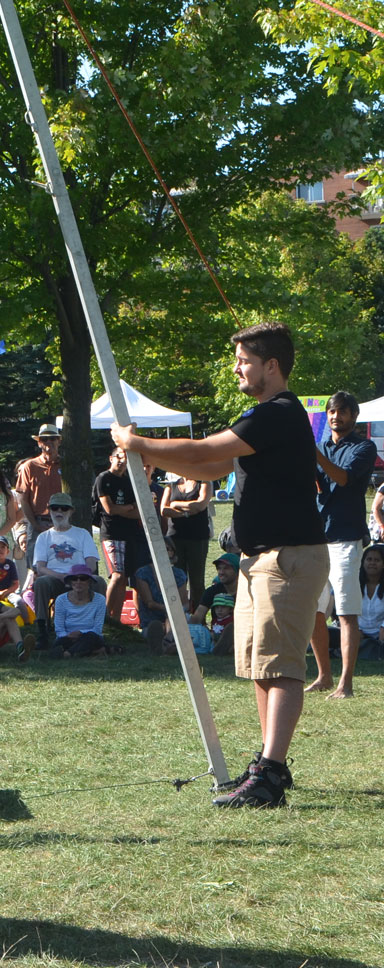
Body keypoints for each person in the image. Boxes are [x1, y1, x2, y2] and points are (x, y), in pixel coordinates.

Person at [113, 321, 327, 808]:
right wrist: (155, 460)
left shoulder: (279, 412)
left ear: (271, 366)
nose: (236, 369)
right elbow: (210, 466)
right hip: (260, 559)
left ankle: (270, 775)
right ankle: (267, 766)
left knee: (281, 667)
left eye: (244, 362)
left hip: (286, 557)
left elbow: (207, 449)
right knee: (261, 667)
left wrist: (139, 444)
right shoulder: (266, 418)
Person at [309, 391, 375, 698]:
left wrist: (314, 455)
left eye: (342, 411)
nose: (336, 417)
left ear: (354, 416)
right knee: (314, 611)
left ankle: (345, 684)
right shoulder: (322, 446)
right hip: (316, 538)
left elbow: (343, 478)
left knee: (347, 613)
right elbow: (313, 483)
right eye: (332, 412)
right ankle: (323, 676)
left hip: (346, 538)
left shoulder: (364, 447)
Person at [29, 492, 104, 650]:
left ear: (71, 511)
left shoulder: (82, 534)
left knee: (100, 582)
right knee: (41, 582)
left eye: (64, 508)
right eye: (55, 508)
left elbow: (91, 564)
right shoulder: (43, 537)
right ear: (49, 510)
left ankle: (98, 628)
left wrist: (78, 576)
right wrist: (61, 576)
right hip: (55, 578)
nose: (59, 511)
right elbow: (40, 568)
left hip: (81, 575)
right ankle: (42, 631)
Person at [92, 448, 141, 621]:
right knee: (117, 575)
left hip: (129, 534)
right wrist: (129, 508)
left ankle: (116, 620)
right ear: (111, 458)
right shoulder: (103, 478)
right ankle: (103, 617)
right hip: (111, 533)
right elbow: (109, 509)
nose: (121, 460)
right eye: (118, 456)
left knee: (124, 579)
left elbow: (138, 513)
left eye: (125, 457)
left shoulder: (129, 481)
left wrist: (124, 510)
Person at [160, 474, 213, 612]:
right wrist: (186, 513)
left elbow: (200, 505)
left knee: (197, 581)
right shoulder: (171, 486)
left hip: (197, 538)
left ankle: (198, 617)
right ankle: (178, 615)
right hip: (175, 538)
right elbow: (164, 510)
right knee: (177, 579)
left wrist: (175, 504)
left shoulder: (204, 482)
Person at [133, 537, 188, 654]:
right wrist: (169, 609)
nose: (163, 552)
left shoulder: (179, 574)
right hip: (152, 620)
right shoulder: (143, 573)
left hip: (175, 618)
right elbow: (149, 603)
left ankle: (168, 642)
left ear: (172, 553)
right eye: (159, 548)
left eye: (167, 549)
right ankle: (168, 643)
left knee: (176, 622)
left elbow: (184, 603)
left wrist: (174, 612)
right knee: (155, 628)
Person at [14, 424, 63, 540]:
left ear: (59, 441)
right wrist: (35, 525)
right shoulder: (29, 466)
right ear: (39, 443)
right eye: (44, 439)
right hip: (38, 521)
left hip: (63, 520)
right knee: (35, 552)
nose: (48, 442)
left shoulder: (67, 465)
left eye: (52, 438)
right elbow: (23, 500)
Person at [52, 564, 109, 659]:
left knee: (91, 637)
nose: (78, 582)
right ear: (70, 582)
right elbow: (59, 629)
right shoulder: (61, 600)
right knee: (59, 643)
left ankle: (69, 653)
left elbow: (97, 629)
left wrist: (80, 633)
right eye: (74, 579)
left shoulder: (100, 600)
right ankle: (97, 651)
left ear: (89, 582)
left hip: (90, 637)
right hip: (67, 637)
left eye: (83, 578)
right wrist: (69, 636)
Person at [356, 544, 384, 660]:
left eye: (377, 560)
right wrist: (356, 630)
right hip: (359, 632)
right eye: (369, 559)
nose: (372, 563)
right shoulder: (355, 585)